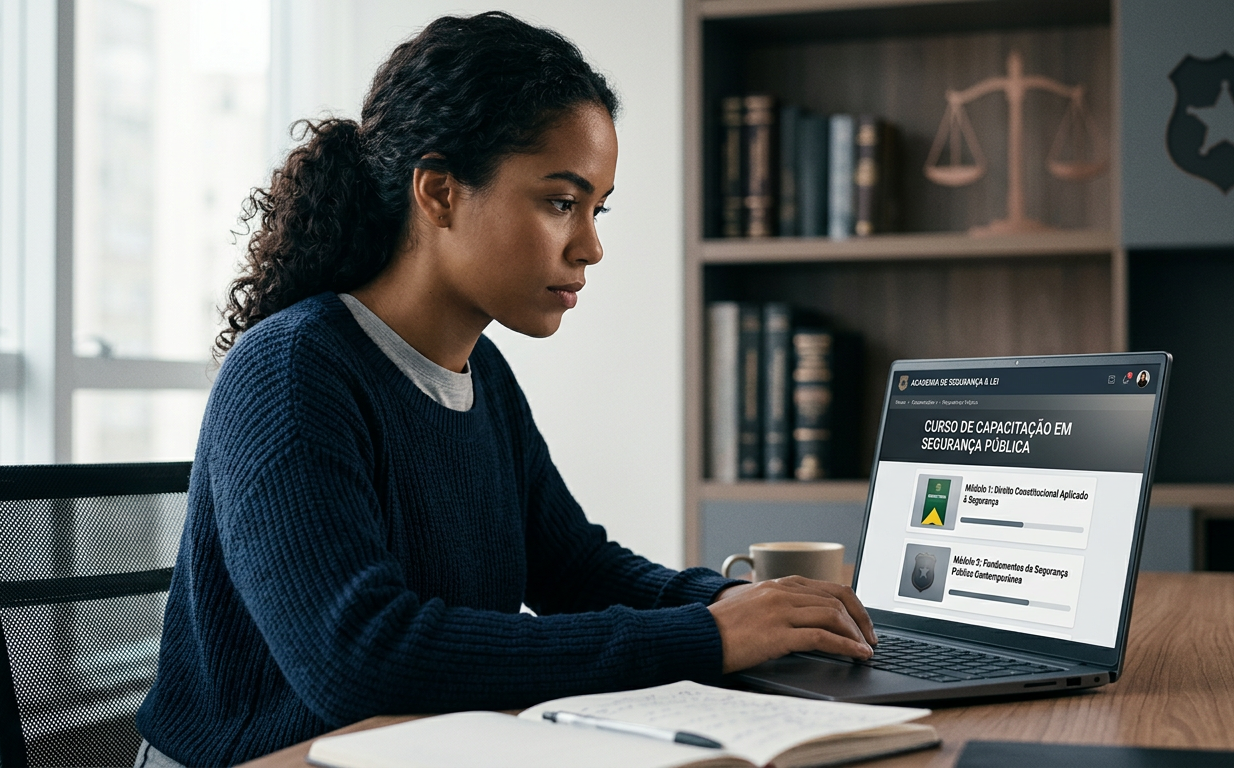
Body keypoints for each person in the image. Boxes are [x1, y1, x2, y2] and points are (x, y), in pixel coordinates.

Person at [135, 12, 875, 766]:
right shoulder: (293, 371)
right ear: (440, 192)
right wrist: (709, 636)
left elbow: (577, 570)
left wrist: (738, 605)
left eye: (597, 209)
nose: (590, 246)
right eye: (561, 202)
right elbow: (357, 657)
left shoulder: (481, 373)